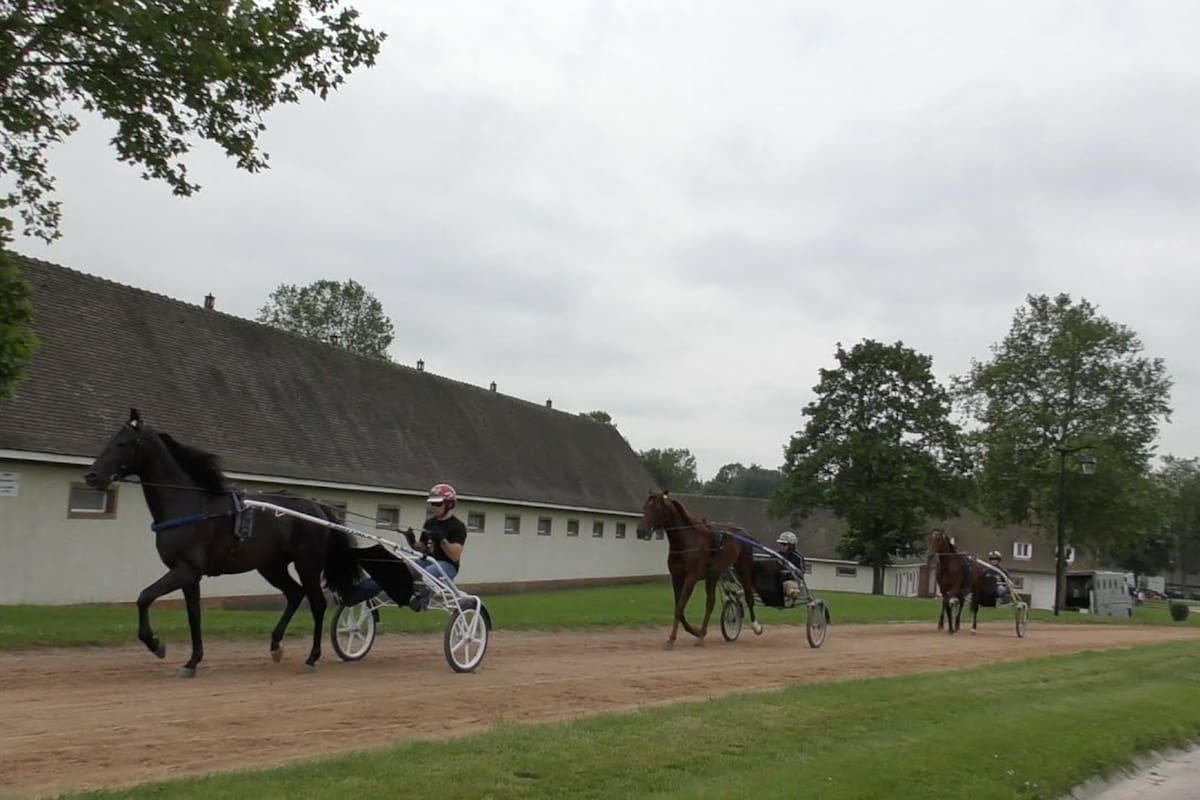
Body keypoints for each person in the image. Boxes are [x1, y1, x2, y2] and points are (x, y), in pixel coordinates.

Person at [405, 482, 468, 611]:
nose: (433, 507)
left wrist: (442, 540)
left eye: (437, 504)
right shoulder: (430, 523)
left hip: (447, 565)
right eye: (432, 503)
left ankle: (421, 602)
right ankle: (403, 596)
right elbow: (422, 547)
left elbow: (454, 556)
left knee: (429, 573)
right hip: (428, 561)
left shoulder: (458, 527)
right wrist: (411, 540)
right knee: (405, 568)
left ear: (449, 504)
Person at [776, 531, 806, 601]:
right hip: (775, 581)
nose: (781, 546)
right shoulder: (776, 555)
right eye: (781, 544)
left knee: (791, 587)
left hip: (790, 581)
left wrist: (788, 572)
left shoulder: (797, 557)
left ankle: (793, 594)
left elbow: (801, 573)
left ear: (791, 546)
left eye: (784, 544)